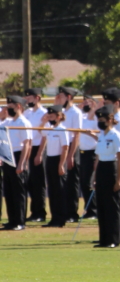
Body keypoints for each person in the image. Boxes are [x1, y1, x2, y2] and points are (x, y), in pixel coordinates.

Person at [92, 104, 120, 248]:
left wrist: (118, 180)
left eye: (103, 119)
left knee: (112, 206)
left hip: (112, 168)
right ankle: (104, 239)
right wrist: (95, 176)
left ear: (110, 119)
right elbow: (98, 157)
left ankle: (114, 239)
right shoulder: (101, 136)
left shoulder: (116, 135)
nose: (100, 122)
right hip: (101, 169)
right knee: (102, 206)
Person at [36, 104, 70, 228]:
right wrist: (43, 121)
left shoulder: (62, 130)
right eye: (48, 115)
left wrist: (61, 165)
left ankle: (60, 218)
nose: (49, 117)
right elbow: (40, 131)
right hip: (49, 159)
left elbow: (65, 148)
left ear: (59, 116)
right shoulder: (50, 129)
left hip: (58, 160)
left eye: (51, 115)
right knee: (52, 190)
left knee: (59, 191)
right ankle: (54, 217)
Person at [1, 95, 32, 230]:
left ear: (18, 106)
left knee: (19, 191)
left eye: (11, 106)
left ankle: (20, 221)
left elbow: (27, 144)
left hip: (18, 156)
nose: (8, 109)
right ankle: (12, 220)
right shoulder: (8, 123)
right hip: (8, 156)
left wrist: (22, 163)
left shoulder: (24, 122)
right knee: (9, 191)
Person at [55, 86, 83, 223]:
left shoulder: (76, 112)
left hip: (71, 147)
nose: (59, 98)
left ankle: (72, 213)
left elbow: (77, 134)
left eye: (61, 96)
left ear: (69, 97)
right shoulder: (60, 111)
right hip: (61, 146)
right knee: (62, 183)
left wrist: (71, 155)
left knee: (72, 182)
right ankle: (63, 211)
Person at [23, 86, 47, 223]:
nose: (27, 99)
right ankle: (34, 212)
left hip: (38, 148)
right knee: (30, 182)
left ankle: (40, 212)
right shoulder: (27, 113)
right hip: (28, 148)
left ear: (37, 98)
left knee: (38, 182)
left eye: (29, 97)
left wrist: (39, 154)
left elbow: (44, 136)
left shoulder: (44, 113)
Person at [78, 94, 99, 220]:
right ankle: (88, 209)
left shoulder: (97, 118)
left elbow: (99, 136)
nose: (85, 104)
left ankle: (93, 210)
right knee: (83, 182)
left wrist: (91, 134)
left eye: (88, 102)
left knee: (89, 182)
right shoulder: (83, 117)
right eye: (84, 101)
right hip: (82, 152)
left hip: (92, 152)